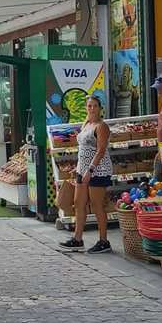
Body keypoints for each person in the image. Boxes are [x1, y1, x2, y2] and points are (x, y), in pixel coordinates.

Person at [60, 95, 113, 254]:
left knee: (97, 205)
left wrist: (90, 170)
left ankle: (104, 241)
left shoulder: (101, 126)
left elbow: (101, 150)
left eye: (95, 106)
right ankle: (77, 239)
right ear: (86, 107)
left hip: (98, 170)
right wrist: (78, 168)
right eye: (89, 106)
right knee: (78, 203)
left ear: (100, 108)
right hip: (82, 170)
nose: (92, 109)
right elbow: (83, 149)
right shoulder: (86, 123)